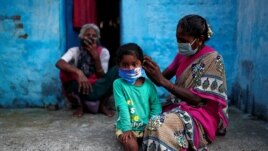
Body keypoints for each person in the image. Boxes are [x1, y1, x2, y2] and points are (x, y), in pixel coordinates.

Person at [142, 14, 229, 150]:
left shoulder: (213, 58)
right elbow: (162, 79)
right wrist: (151, 70)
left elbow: (197, 100)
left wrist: (162, 80)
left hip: (200, 113)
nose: (179, 44)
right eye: (177, 39)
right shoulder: (182, 55)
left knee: (157, 125)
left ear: (199, 39)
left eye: (183, 40)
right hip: (178, 107)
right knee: (140, 118)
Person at [56, 23, 118, 117]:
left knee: (118, 70)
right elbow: (59, 63)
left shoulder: (104, 52)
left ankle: (102, 105)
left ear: (98, 38)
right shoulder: (74, 51)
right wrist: (79, 72)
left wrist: (96, 57)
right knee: (64, 71)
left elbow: (103, 76)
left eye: (94, 36)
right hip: (80, 87)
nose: (91, 37)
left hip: (97, 87)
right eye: (87, 35)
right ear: (81, 37)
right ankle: (80, 105)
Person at [113, 43, 162, 151]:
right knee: (132, 146)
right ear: (119, 65)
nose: (130, 68)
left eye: (134, 64)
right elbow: (122, 107)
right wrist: (126, 129)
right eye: (125, 65)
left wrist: (151, 126)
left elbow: (156, 105)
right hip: (127, 128)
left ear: (141, 64)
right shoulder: (118, 84)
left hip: (147, 127)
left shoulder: (148, 85)